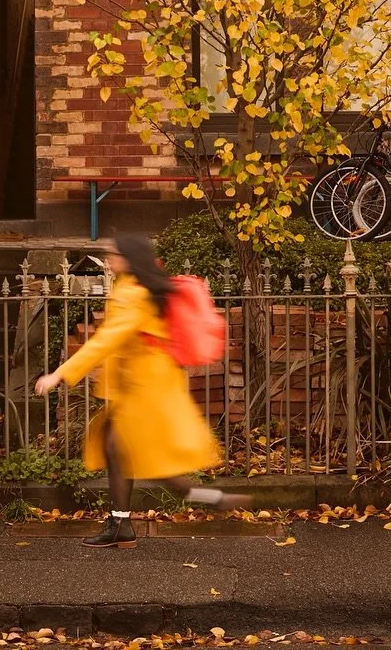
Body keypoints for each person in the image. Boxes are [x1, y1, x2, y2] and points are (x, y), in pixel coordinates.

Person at [34, 232, 241, 548]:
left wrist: (60, 374)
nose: (108, 260)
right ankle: (122, 523)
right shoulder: (135, 287)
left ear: (128, 259)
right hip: (143, 383)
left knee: (144, 457)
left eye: (113, 254)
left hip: (143, 387)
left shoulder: (132, 294)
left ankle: (209, 499)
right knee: (120, 451)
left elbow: (107, 340)